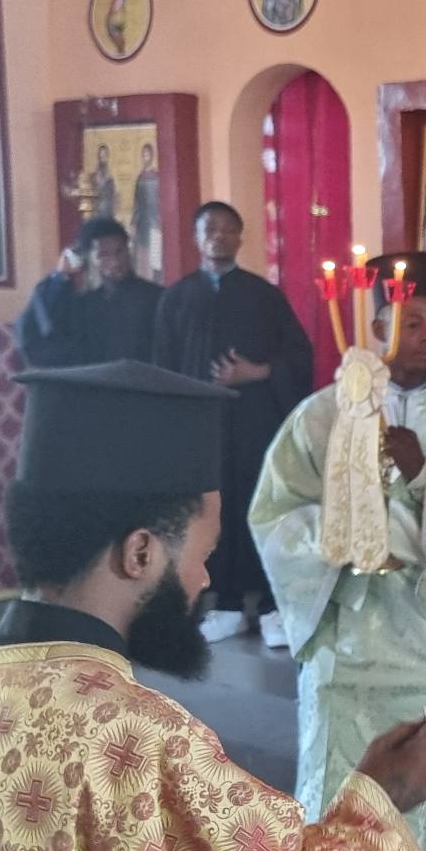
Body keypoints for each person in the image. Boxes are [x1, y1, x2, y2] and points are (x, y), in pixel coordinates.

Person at [0, 359, 426, 851]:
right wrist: (380, 798)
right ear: (141, 553)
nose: (205, 580)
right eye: (203, 554)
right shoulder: (136, 740)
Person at [252, 252, 426, 851]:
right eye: (411, 323)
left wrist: (424, 478)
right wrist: (345, 531)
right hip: (347, 642)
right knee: (341, 788)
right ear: (377, 328)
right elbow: (274, 516)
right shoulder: (321, 415)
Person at [155, 201, 314, 645]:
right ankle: (225, 604)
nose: (219, 236)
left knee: (259, 506)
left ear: (241, 238)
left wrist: (258, 372)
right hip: (200, 427)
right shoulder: (176, 299)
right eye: (210, 229)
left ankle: (269, 606)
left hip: (253, 425)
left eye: (228, 229)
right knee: (211, 511)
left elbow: (300, 356)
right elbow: (161, 365)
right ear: (196, 237)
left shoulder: (263, 296)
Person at [16, 217, 162, 367]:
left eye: (120, 251)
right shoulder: (85, 305)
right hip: (95, 380)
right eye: (103, 255)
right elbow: (36, 336)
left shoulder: (156, 298)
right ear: (89, 258)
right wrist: (60, 277)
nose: (115, 261)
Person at [131, 142, 162, 281]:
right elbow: (136, 202)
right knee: (142, 255)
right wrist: (134, 222)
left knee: (155, 257)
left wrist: (160, 219)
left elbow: (161, 199)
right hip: (142, 221)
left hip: (155, 220)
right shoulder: (140, 178)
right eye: (144, 154)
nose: (146, 157)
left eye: (148, 154)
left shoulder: (156, 176)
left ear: (152, 156)